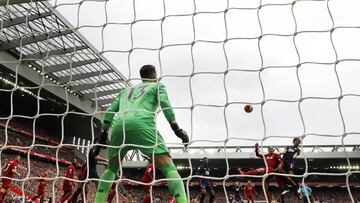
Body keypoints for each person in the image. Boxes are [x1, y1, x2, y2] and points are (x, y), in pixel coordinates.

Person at [95, 64, 189, 203]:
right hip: (142, 125)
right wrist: (177, 129)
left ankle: (97, 201)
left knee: (112, 169)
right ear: (154, 75)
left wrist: (104, 133)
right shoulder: (157, 86)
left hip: (118, 127)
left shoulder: (125, 91)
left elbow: (110, 111)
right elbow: (165, 103)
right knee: (168, 167)